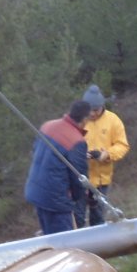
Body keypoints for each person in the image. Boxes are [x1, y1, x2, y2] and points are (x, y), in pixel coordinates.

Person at [24, 100, 91, 235]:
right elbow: (79, 177)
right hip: (56, 200)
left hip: (36, 191)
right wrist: (77, 198)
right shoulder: (76, 141)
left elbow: (35, 151)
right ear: (85, 119)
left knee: (49, 236)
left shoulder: (47, 126)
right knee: (64, 242)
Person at [80, 84, 129, 226]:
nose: (92, 113)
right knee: (78, 217)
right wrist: (80, 154)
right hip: (80, 177)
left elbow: (122, 145)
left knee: (98, 218)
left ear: (102, 106)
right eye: (89, 110)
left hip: (102, 180)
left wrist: (107, 154)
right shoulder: (78, 120)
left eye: (95, 110)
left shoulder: (113, 120)